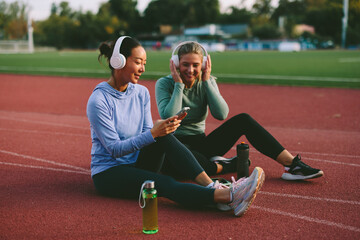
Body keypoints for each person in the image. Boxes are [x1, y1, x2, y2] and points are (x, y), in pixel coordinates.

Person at [86, 36, 265, 217]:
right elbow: (115, 149)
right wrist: (153, 133)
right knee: (164, 183)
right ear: (119, 61)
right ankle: (227, 196)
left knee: (164, 134)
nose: (143, 69)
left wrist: (157, 131)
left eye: (144, 63)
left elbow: (149, 135)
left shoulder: (140, 92)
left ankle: (211, 185)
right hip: (110, 173)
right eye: (138, 62)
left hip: (139, 163)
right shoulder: (99, 101)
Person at [155, 41, 324, 181]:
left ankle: (291, 164)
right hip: (175, 144)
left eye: (195, 65)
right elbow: (168, 115)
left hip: (202, 144)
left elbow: (221, 114)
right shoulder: (164, 84)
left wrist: (206, 82)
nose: (190, 70)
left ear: (204, 64)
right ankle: (227, 165)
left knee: (243, 119)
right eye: (185, 64)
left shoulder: (207, 81)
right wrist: (179, 85)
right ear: (176, 64)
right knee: (177, 168)